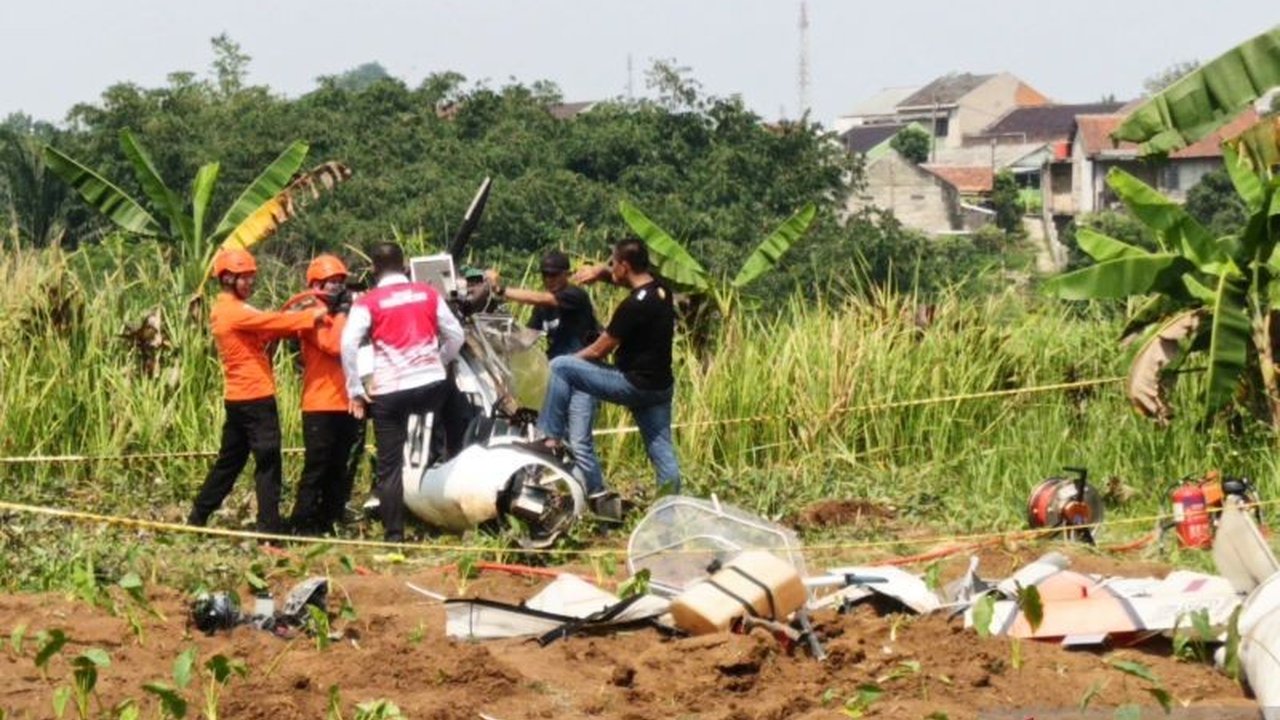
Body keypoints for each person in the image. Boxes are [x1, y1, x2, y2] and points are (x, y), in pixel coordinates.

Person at [189, 249, 327, 534]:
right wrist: (315, 314)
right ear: (227, 278)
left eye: (252, 277)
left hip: (238, 399)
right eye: (245, 278)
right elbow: (273, 323)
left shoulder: (226, 310)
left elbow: (266, 327)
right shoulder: (233, 311)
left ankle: (198, 516)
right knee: (268, 462)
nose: (251, 283)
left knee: (230, 462)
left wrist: (293, 316)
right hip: (256, 399)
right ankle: (269, 528)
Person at [340, 242, 465, 542]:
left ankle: (394, 535)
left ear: (374, 269)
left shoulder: (368, 302)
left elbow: (348, 345)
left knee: (389, 465)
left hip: (391, 392)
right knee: (455, 414)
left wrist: (356, 389)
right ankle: (452, 478)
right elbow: (456, 335)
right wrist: (440, 360)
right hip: (430, 386)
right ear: (405, 265)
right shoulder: (428, 293)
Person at [537, 238, 681, 497]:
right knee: (662, 451)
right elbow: (625, 279)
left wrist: (572, 363)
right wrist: (600, 272)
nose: (610, 267)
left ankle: (550, 438)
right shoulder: (661, 291)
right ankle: (671, 509)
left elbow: (598, 350)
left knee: (560, 366)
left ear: (625, 266)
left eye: (613, 263)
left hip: (631, 384)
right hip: (660, 387)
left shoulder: (632, 306)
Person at [485, 251, 605, 493]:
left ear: (566, 274)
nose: (549, 279)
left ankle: (595, 494)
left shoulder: (574, 296)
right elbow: (526, 338)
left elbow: (542, 299)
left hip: (583, 378)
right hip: (557, 379)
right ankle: (534, 491)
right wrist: (492, 336)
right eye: (545, 275)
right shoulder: (544, 308)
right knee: (543, 439)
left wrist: (501, 290)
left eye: (554, 275)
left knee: (579, 442)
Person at [289, 254, 363, 536]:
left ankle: (329, 519)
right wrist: (344, 313)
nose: (336, 288)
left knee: (339, 468)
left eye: (340, 283)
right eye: (331, 283)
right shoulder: (311, 314)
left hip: (346, 401)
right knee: (317, 467)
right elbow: (335, 345)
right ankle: (302, 522)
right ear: (316, 284)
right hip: (320, 403)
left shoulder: (342, 314)